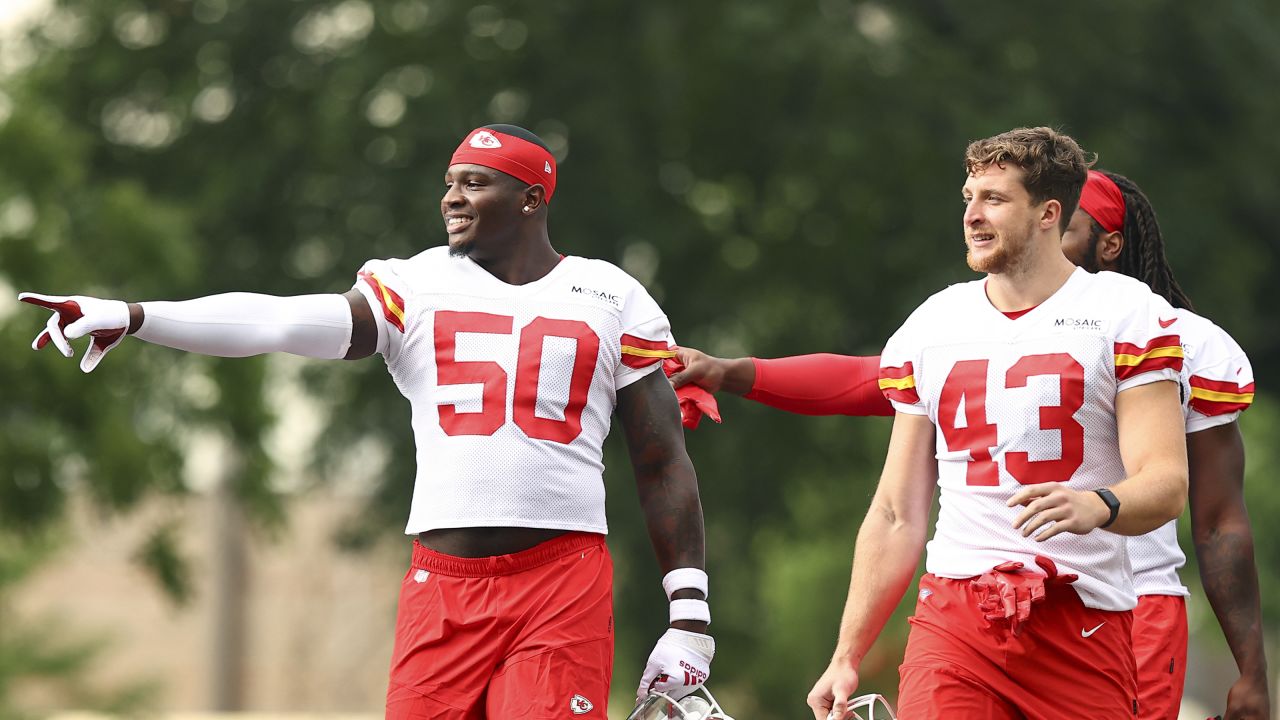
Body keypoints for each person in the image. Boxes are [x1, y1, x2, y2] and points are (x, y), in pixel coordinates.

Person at [21, 124, 716, 720]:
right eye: (450, 181)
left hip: (561, 582)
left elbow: (661, 460)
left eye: (476, 182)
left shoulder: (612, 295)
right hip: (443, 585)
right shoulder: (413, 284)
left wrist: (689, 615)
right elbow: (279, 319)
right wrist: (139, 315)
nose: (452, 197)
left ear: (531, 198)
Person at [673, 170, 1269, 719]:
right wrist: (735, 371)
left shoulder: (1167, 334)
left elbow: (1218, 520)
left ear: (1090, 235)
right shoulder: (960, 321)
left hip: (1130, 603)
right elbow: (869, 384)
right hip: (979, 603)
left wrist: (1251, 669)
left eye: (1068, 226)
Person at [802, 127, 1189, 719]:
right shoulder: (935, 322)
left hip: (1080, 619)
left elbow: (1166, 481)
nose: (973, 216)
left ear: (1048, 213)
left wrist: (1099, 504)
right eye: (968, 198)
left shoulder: (1125, 314)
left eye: (994, 199)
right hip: (957, 617)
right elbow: (895, 512)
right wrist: (846, 652)